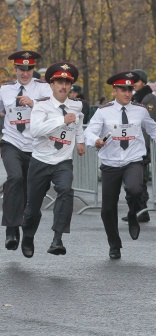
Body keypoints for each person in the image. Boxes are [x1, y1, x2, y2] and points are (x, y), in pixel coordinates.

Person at [84, 72, 156, 259]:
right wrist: (96, 140)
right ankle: (114, 243)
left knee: (134, 190)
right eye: (123, 89)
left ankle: (133, 214)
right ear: (114, 90)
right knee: (108, 208)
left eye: (130, 89)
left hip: (133, 160)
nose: (127, 93)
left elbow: (154, 128)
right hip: (111, 163)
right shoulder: (103, 112)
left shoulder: (140, 110)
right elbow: (89, 132)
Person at [20, 62, 86, 258]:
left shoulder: (76, 105)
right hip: (40, 160)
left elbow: (79, 122)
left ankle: (57, 239)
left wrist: (80, 141)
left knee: (66, 190)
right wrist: (60, 120)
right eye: (59, 82)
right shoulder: (41, 105)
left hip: (62, 160)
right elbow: (36, 131)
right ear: (51, 84)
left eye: (67, 83)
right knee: (32, 208)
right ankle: (28, 236)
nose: (63, 87)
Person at [0, 51, 52, 251]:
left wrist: (34, 103)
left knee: (33, 193)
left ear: (33, 69)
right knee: (14, 178)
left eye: (29, 68)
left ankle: (28, 235)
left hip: (36, 147)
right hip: (11, 142)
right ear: (15, 69)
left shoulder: (43, 88)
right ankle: (12, 230)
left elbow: (55, 109)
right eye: (21, 68)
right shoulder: (5, 90)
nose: (25, 73)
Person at [117, 68, 156, 223]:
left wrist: (145, 146)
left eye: (136, 82)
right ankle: (136, 210)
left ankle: (142, 211)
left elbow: (151, 124)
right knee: (136, 180)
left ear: (143, 82)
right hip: (133, 144)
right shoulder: (137, 98)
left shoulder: (149, 99)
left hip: (141, 146)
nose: (132, 85)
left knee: (140, 181)